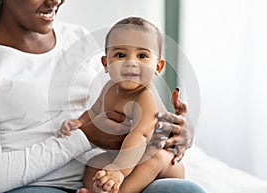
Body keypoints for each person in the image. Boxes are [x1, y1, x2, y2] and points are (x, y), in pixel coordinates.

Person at [0, 0, 205, 193]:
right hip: (40, 184)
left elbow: (126, 113)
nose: (55, 0)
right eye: (121, 55)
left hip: (109, 172)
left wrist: (176, 131)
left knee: (185, 191)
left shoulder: (78, 38)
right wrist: (83, 135)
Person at [58, 17, 185, 193]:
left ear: (158, 66)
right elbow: (94, 111)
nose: (130, 62)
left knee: (154, 159)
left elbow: (139, 138)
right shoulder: (110, 88)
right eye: (120, 55)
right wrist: (78, 123)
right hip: (124, 155)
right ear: (106, 63)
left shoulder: (145, 97)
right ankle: (96, 189)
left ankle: (118, 190)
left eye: (142, 56)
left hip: (161, 162)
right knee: (95, 163)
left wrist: (118, 170)